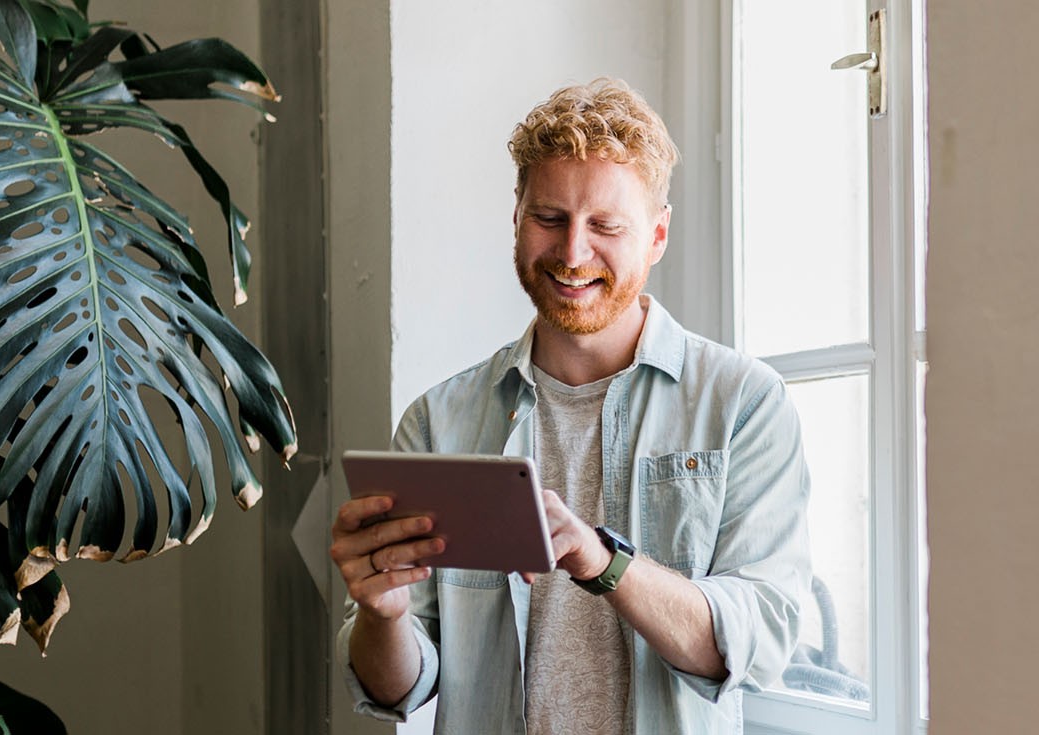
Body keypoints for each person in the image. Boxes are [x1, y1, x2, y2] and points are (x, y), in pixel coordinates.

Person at [329, 78, 811, 734]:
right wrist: (382, 616)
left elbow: (758, 640)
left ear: (657, 236)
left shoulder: (743, 403)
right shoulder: (436, 420)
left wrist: (603, 560)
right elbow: (399, 689)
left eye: (606, 225)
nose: (572, 253)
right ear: (516, 219)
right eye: (548, 218)